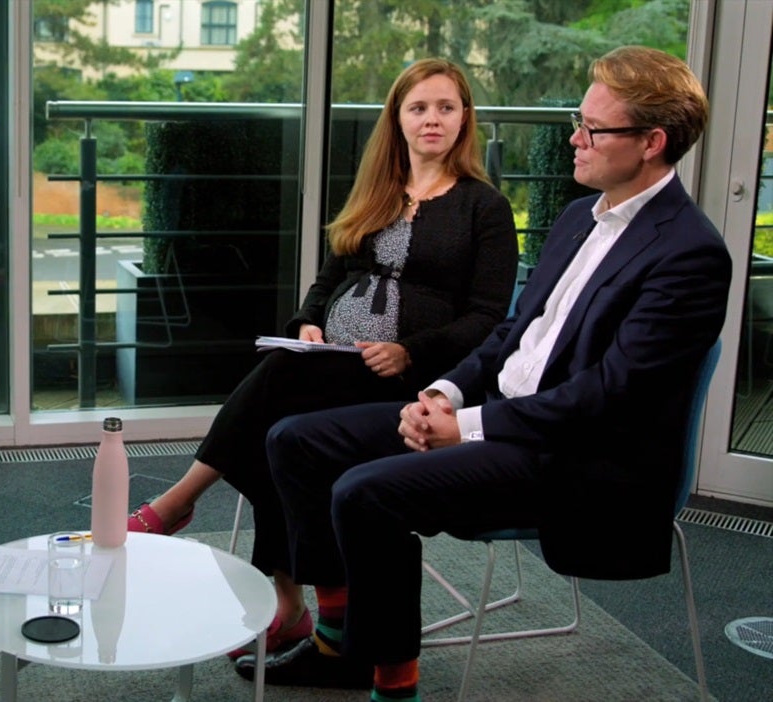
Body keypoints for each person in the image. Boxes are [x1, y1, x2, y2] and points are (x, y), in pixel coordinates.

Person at [244, 46, 730, 702]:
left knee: (364, 493)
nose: (574, 138)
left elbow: (609, 397)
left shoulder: (690, 253)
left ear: (652, 142)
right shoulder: (577, 219)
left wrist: (465, 428)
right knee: (297, 441)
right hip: (507, 422)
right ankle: (339, 643)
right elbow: (511, 335)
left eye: (593, 128)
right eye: (577, 120)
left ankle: (394, 686)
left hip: (580, 461)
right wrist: (441, 392)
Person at [128, 58, 519, 661]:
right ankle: (290, 609)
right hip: (332, 364)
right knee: (276, 424)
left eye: (446, 107)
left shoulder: (483, 208)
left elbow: (489, 317)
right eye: (418, 108)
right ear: (399, 119)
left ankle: (183, 506)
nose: (432, 119)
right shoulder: (379, 191)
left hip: (410, 381)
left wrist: (410, 349)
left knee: (279, 387)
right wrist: (307, 323)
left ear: (465, 118)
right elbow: (330, 276)